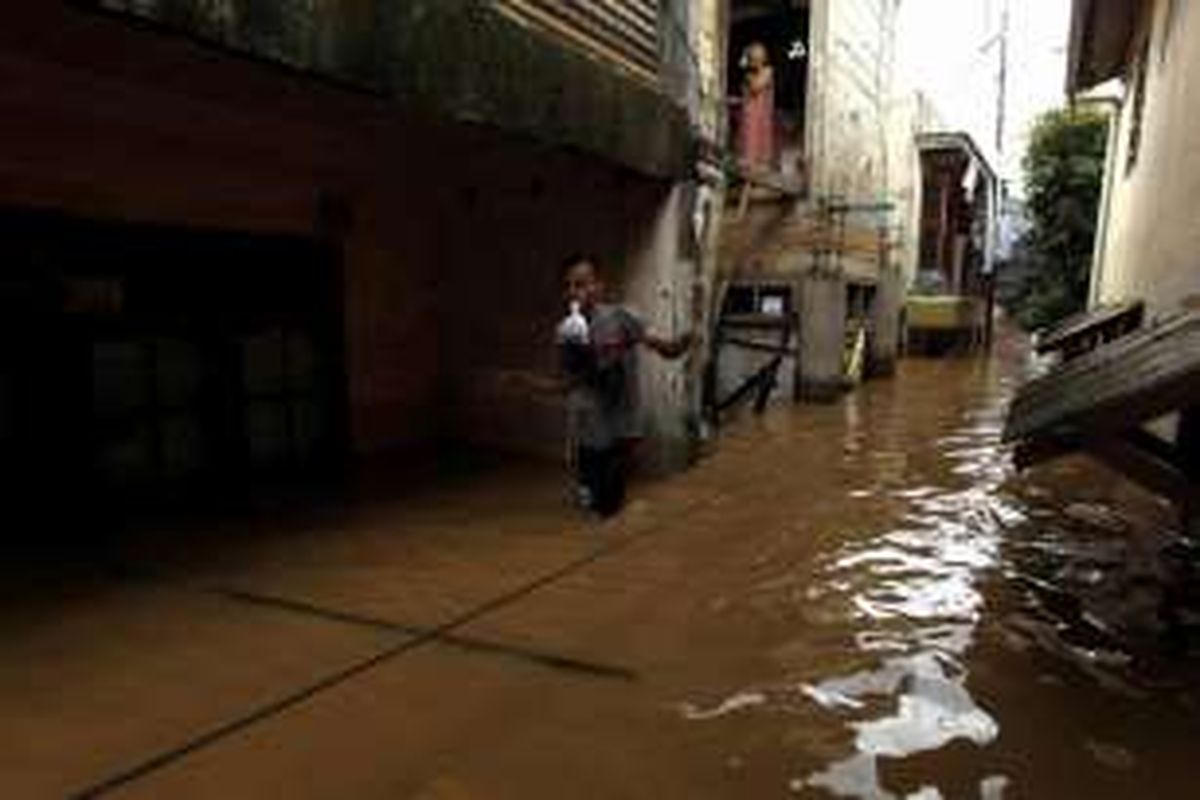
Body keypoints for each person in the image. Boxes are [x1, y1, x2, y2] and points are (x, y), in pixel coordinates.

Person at [555, 254, 693, 518]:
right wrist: (525, 383)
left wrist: (682, 343)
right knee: (591, 505)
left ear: (599, 285)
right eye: (570, 286)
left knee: (611, 504)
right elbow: (566, 381)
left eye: (582, 284)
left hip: (621, 428)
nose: (576, 292)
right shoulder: (565, 330)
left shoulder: (623, 317)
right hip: (588, 429)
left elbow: (664, 348)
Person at [739, 42, 775, 170]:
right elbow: (746, 95)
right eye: (751, 58)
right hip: (749, 120)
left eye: (755, 58)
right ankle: (749, 173)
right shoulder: (749, 74)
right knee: (748, 147)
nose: (752, 61)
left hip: (760, 120)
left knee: (759, 149)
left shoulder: (767, 71)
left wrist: (749, 75)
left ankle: (758, 172)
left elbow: (756, 87)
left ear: (762, 59)